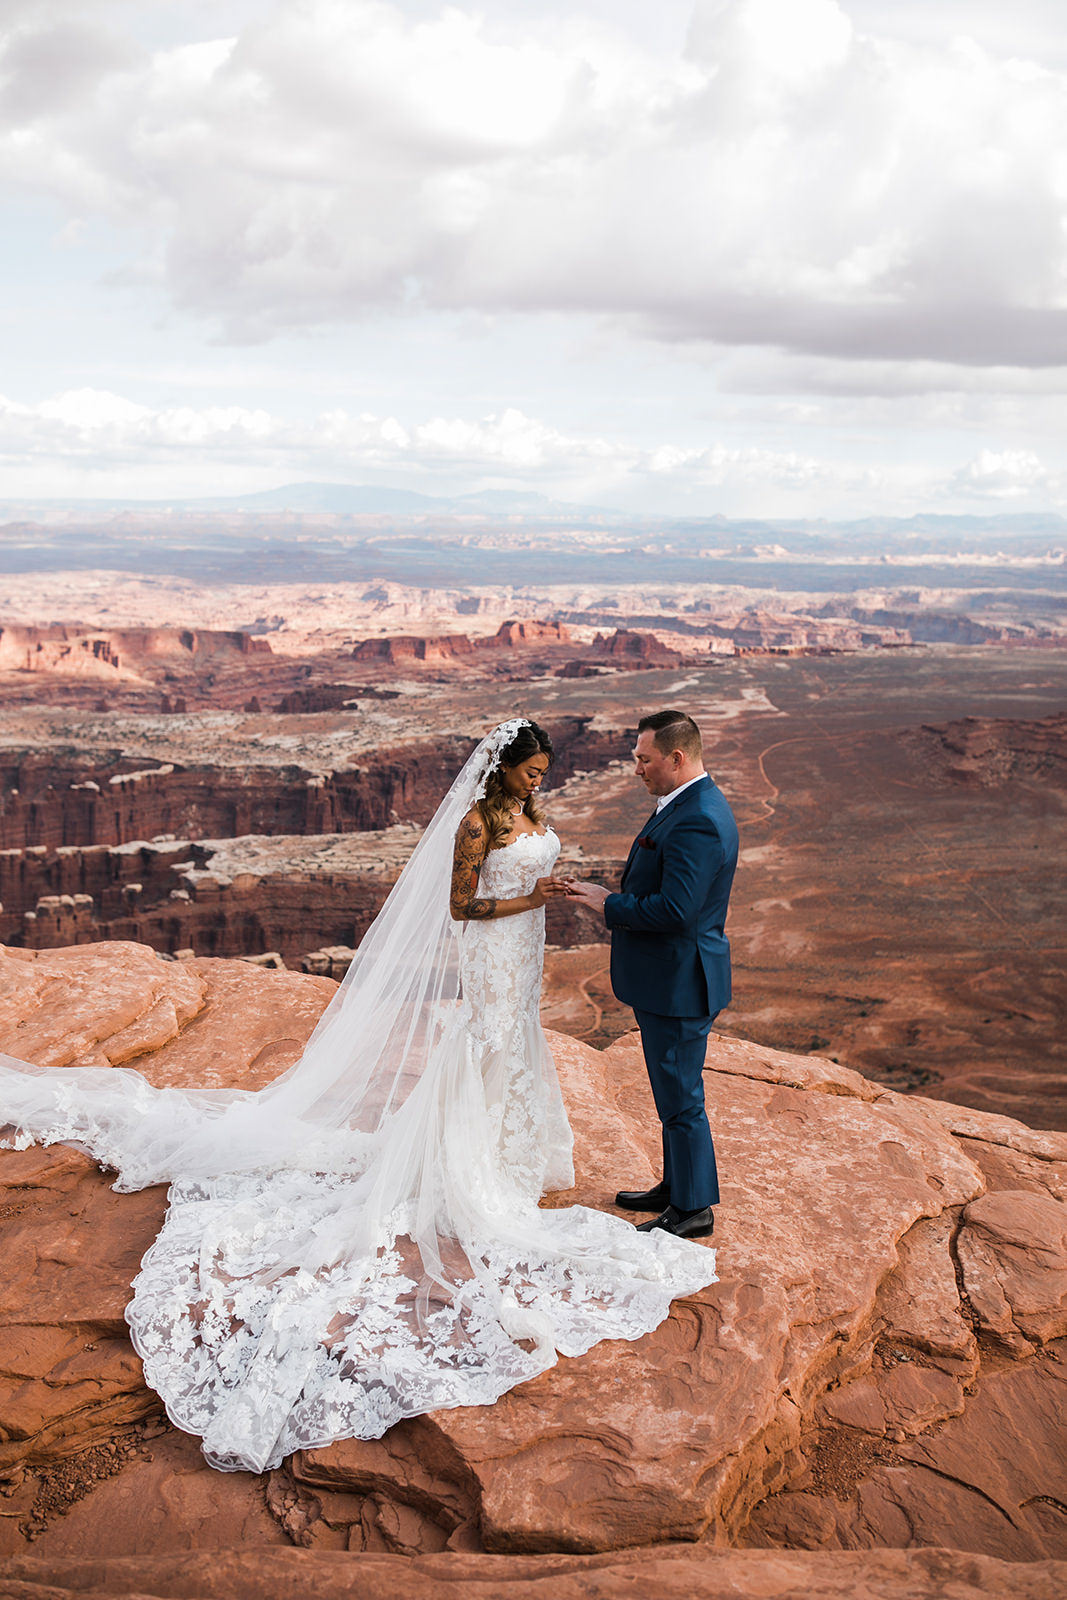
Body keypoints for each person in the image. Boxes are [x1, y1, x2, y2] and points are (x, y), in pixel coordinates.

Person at [0, 718, 717, 1474]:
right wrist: (531, 898)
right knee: (482, 1045)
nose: (541, 782)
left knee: (514, 1047)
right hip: (495, 948)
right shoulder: (476, 823)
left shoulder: (532, 815)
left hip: (526, 952)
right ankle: (463, 1162)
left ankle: (508, 1155)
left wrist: (548, 896)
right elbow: (461, 906)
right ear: (503, 769)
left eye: (545, 772)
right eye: (532, 771)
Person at [565, 710, 738, 1240]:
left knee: (682, 1096)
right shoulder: (689, 804)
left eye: (644, 759)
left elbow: (676, 911)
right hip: (674, 977)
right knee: (671, 1090)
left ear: (676, 758)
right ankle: (676, 1186)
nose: (636, 768)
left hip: (680, 981)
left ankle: (693, 1210)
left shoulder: (698, 818)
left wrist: (607, 903)